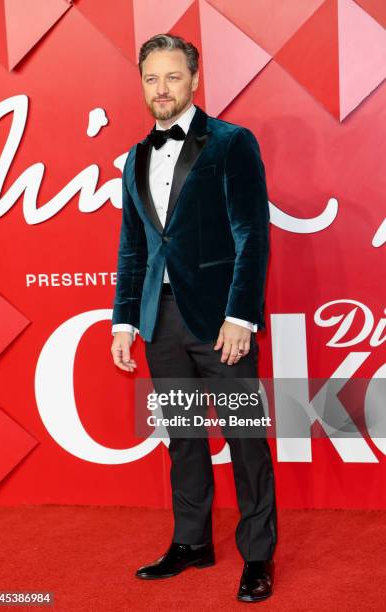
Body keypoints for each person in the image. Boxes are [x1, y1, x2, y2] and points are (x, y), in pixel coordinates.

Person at [111, 33, 277, 603]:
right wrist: (123, 322)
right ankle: (192, 542)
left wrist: (240, 315)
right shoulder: (134, 157)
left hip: (218, 322)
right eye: (151, 78)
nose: (161, 89)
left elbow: (252, 235)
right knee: (183, 438)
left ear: (195, 80)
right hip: (161, 325)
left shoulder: (232, 143)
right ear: (142, 85)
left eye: (172, 77)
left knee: (244, 437)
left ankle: (257, 554)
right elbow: (133, 247)